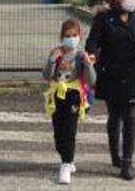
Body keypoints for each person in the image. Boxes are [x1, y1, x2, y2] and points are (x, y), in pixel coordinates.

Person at [86, 0, 135, 181]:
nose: (132, 0)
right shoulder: (104, 19)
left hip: (134, 76)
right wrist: (92, 54)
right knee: (115, 116)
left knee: (131, 118)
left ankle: (127, 163)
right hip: (111, 75)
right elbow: (93, 41)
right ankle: (115, 154)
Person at [44, 18, 97, 184]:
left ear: (79, 36)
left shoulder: (82, 56)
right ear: (62, 37)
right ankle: (65, 157)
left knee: (70, 131)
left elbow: (92, 81)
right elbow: (47, 76)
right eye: (68, 35)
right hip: (57, 97)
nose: (71, 38)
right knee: (58, 133)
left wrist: (89, 65)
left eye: (74, 35)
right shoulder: (56, 53)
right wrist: (52, 60)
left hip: (74, 96)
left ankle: (66, 164)